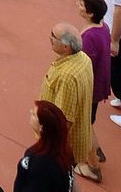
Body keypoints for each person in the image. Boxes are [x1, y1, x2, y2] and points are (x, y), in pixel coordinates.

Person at [40, 23, 95, 175]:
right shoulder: (84, 59)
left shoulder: (67, 78)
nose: (50, 38)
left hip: (61, 149)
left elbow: (63, 121)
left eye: (54, 37)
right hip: (78, 138)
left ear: (66, 47)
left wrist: (48, 148)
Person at [78, 0, 111, 172]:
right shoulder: (103, 27)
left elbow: (85, 65)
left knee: (84, 122)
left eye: (81, 5)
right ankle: (96, 150)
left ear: (90, 13)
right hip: (99, 83)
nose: (78, 6)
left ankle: (92, 166)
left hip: (90, 86)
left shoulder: (89, 37)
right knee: (88, 119)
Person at [15, 99, 74, 191]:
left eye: (34, 114)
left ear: (42, 128)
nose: (30, 112)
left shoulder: (40, 163)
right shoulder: (65, 152)